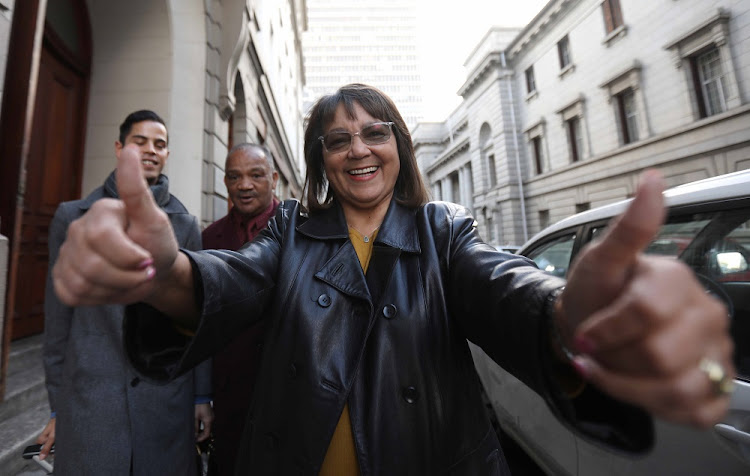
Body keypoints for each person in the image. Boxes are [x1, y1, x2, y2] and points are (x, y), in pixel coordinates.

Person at [51, 85, 734, 475]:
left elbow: (501, 285)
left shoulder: (443, 229)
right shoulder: (291, 230)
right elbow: (224, 283)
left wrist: (565, 311)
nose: (358, 149)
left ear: (399, 146)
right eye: (339, 139)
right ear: (322, 158)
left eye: (375, 132)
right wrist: (164, 271)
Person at [35, 110, 214, 475]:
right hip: (91, 403)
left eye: (160, 144)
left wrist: (200, 396)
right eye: (140, 141)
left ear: (166, 155)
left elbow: (199, 319)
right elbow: (57, 323)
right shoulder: (71, 217)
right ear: (119, 148)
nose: (151, 150)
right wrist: (57, 406)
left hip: (165, 402)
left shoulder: (185, 225)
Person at [202, 143, 279, 475]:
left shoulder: (306, 231)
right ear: (225, 182)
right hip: (229, 395)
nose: (245, 185)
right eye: (235, 176)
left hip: (287, 395)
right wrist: (200, 397)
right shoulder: (208, 239)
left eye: (256, 175)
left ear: (274, 178)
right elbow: (200, 323)